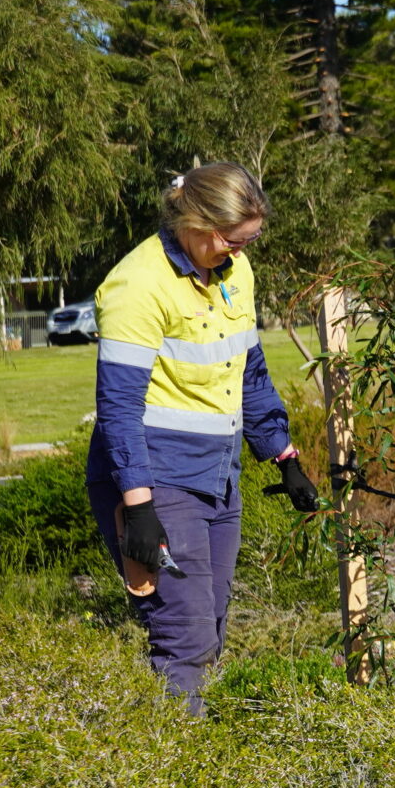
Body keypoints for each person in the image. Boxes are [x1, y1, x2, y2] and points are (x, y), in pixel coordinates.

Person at [88, 163, 319, 712]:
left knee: (208, 630)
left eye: (248, 241)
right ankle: (178, 777)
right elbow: (118, 407)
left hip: (218, 475)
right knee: (183, 637)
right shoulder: (136, 284)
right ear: (193, 220)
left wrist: (283, 456)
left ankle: (189, 757)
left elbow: (249, 368)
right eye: (229, 240)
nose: (237, 253)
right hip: (155, 479)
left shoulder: (236, 273)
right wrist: (139, 508)